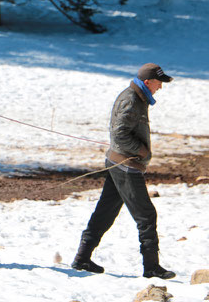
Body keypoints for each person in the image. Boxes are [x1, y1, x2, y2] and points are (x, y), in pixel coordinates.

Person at [71, 63, 175, 279]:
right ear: (148, 82)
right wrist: (142, 150)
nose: (160, 87)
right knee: (146, 215)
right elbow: (119, 134)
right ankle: (151, 267)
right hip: (125, 166)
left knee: (105, 212)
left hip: (118, 162)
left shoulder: (137, 96)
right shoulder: (132, 100)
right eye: (158, 83)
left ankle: (82, 258)